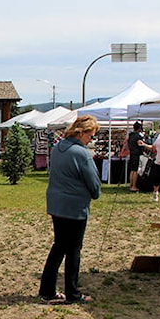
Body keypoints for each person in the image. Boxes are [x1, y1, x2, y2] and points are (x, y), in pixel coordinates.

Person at [39, 115, 101, 304]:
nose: (92, 139)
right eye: (91, 135)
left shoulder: (58, 148)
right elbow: (94, 184)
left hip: (57, 204)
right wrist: (95, 193)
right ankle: (72, 293)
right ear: (81, 133)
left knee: (59, 247)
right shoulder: (81, 154)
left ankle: (47, 289)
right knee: (73, 250)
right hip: (74, 207)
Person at [127, 121, 149, 192]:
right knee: (136, 170)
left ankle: (131, 184)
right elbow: (141, 146)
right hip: (137, 154)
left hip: (132, 154)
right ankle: (134, 186)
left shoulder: (130, 135)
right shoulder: (139, 136)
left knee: (132, 170)